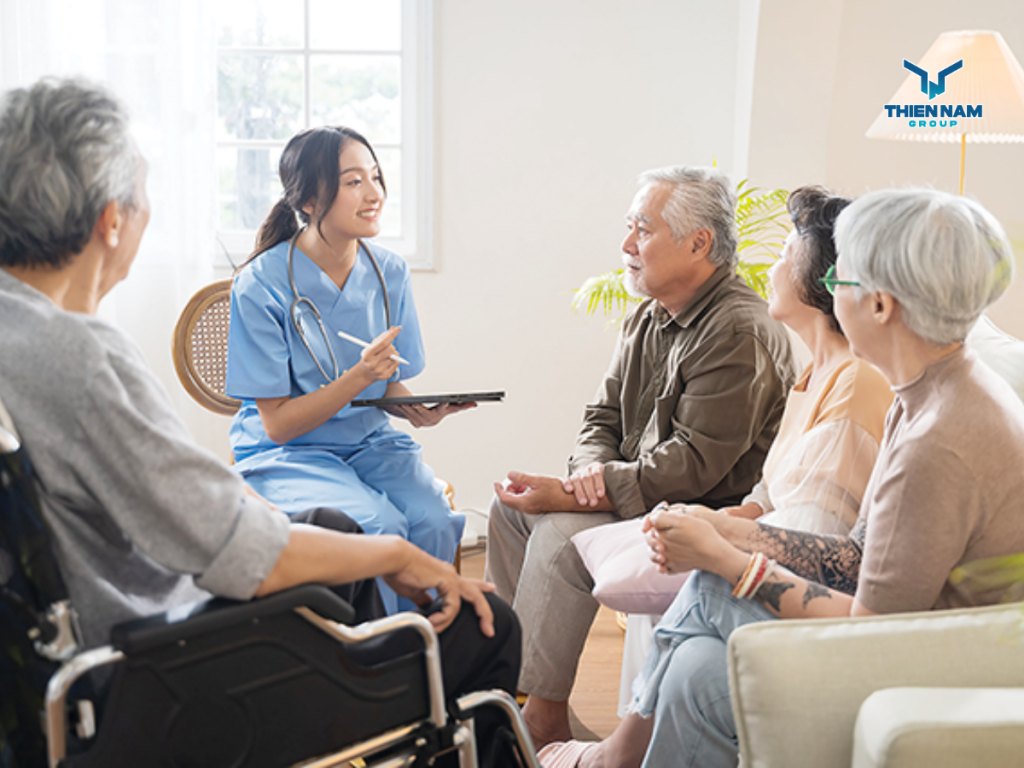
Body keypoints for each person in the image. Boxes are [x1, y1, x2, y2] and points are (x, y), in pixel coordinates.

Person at [0, 78, 519, 767]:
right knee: (491, 627)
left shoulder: (26, 330)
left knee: (338, 532)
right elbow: (246, 550)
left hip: (106, 649)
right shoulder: (78, 358)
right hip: (161, 675)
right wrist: (396, 556)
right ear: (112, 220)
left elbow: (162, 490)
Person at [541, 187, 1024, 768]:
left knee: (712, 584)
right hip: (928, 640)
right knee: (695, 673)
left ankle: (614, 758)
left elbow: (869, 630)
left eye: (840, 280)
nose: (828, 290)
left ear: (880, 306)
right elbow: (858, 555)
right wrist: (737, 534)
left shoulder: (937, 440)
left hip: (934, 666)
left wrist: (727, 561)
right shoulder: (930, 388)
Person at [486, 166, 798, 747]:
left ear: (698, 243)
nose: (626, 246)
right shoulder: (648, 314)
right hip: (637, 491)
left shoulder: (738, 331)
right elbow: (599, 419)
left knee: (556, 532)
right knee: (509, 509)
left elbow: (693, 465)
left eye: (642, 229)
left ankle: (541, 716)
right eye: (629, 228)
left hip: (700, 510)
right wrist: (585, 476)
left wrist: (582, 492)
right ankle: (511, 689)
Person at [225, 125, 467, 614]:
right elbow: (277, 424)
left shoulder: (388, 271)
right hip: (291, 454)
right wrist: (357, 377)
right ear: (310, 200)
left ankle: (433, 658)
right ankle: (374, 666)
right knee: (378, 528)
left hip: (371, 443)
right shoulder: (260, 285)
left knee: (433, 519)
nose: (375, 193)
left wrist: (414, 408)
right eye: (354, 181)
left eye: (375, 176)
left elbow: (388, 382)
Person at [723, 186, 892, 536]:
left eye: (785, 256)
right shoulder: (815, 372)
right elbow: (778, 488)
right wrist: (734, 515)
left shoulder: (856, 382)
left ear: (825, 277)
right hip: (771, 544)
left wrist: (713, 533)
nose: (773, 270)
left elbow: (814, 529)